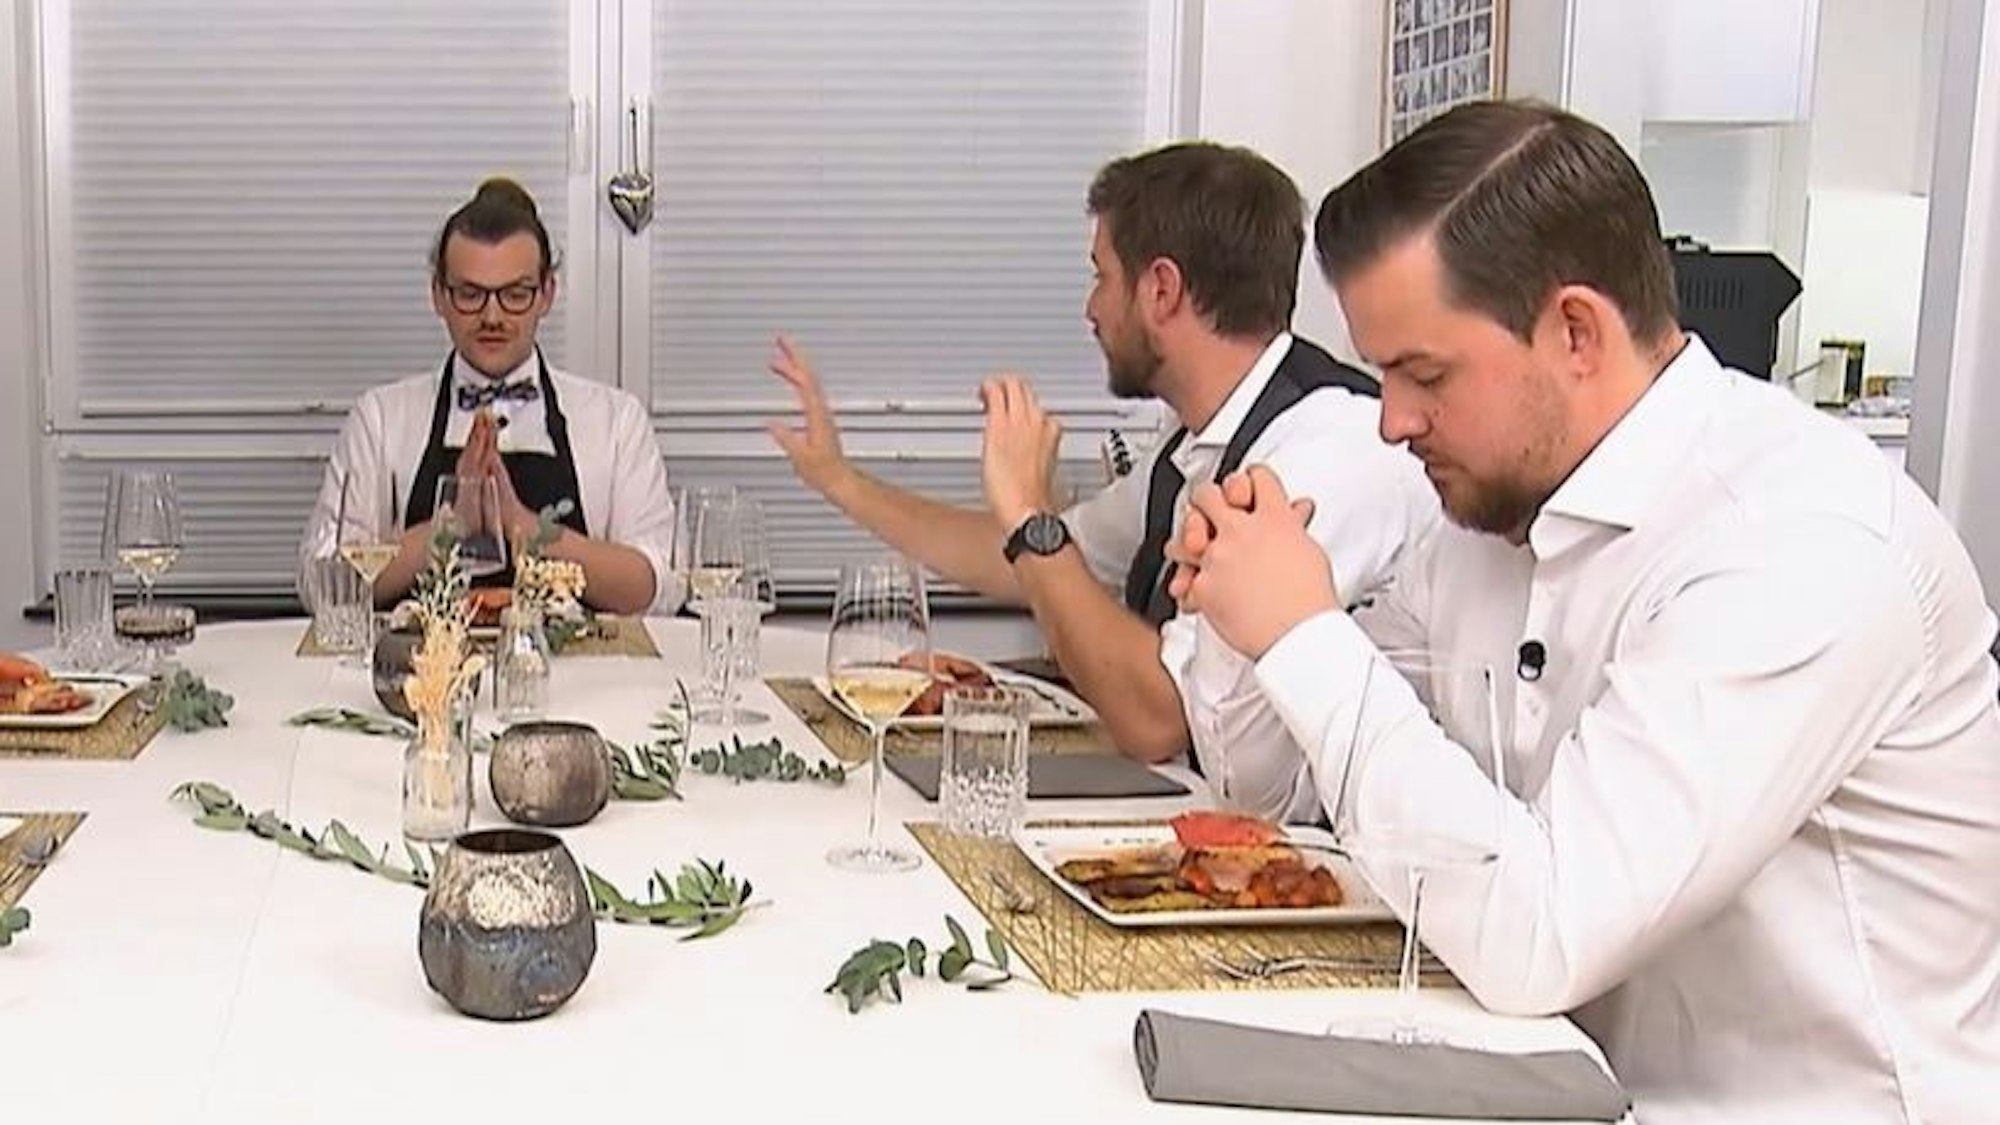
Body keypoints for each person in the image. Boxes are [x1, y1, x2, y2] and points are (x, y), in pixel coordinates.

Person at [1170, 100, 2000, 1123]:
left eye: (1422, 374)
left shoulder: (1799, 546)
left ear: (1575, 331)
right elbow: (1277, 798)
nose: (1390, 421)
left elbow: (1540, 935)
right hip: (1559, 1083)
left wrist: (1304, 634)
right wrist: (1240, 616)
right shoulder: (1484, 517)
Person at [767, 142, 1435, 811]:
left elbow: (1158, 718)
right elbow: (1023, 560)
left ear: (1161, 289)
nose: (1091, 308)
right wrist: (840, 480)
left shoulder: (1331, 449)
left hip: (1302, 852)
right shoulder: (1191, 443)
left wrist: (1032, 520)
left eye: (1101, 276)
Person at [299, 178, 679, 616]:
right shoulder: (380, 418)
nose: (492, 316)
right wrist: (450, 525)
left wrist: (526, 529)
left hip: (579, 660)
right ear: (438, 295)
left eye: (516, 294)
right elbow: (320, 586)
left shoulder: (617, 421)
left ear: (547, 294)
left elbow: (660, 587)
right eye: (470, 295)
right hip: (419, 659)